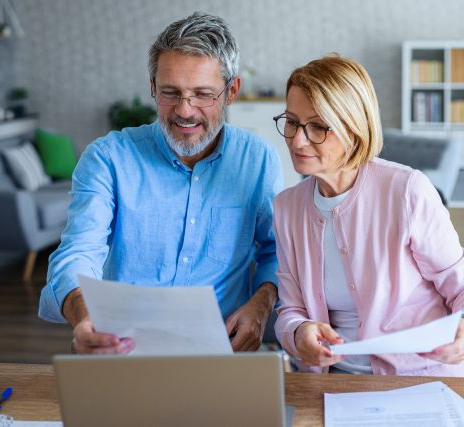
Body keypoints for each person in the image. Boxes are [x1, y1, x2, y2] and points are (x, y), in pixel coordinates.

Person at [38, 12, 282, 354]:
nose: (185, 110)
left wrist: (261, 304)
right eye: (171, 92)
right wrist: (82, 315)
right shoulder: (107, 158)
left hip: (222, 350)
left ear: (231, 92)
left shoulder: (259, 160)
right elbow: (79, 251)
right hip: (121, 349)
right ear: (152, 87)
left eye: (202, 94)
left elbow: (275, 252)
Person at [272, 55, 464, 376]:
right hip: (329, 382)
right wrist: (297, 332)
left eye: (318, 126)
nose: (297, 139)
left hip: (417, 376)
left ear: (354, 128)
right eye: (292, 122)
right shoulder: (287, 207)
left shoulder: (407, 190)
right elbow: (290, 309)